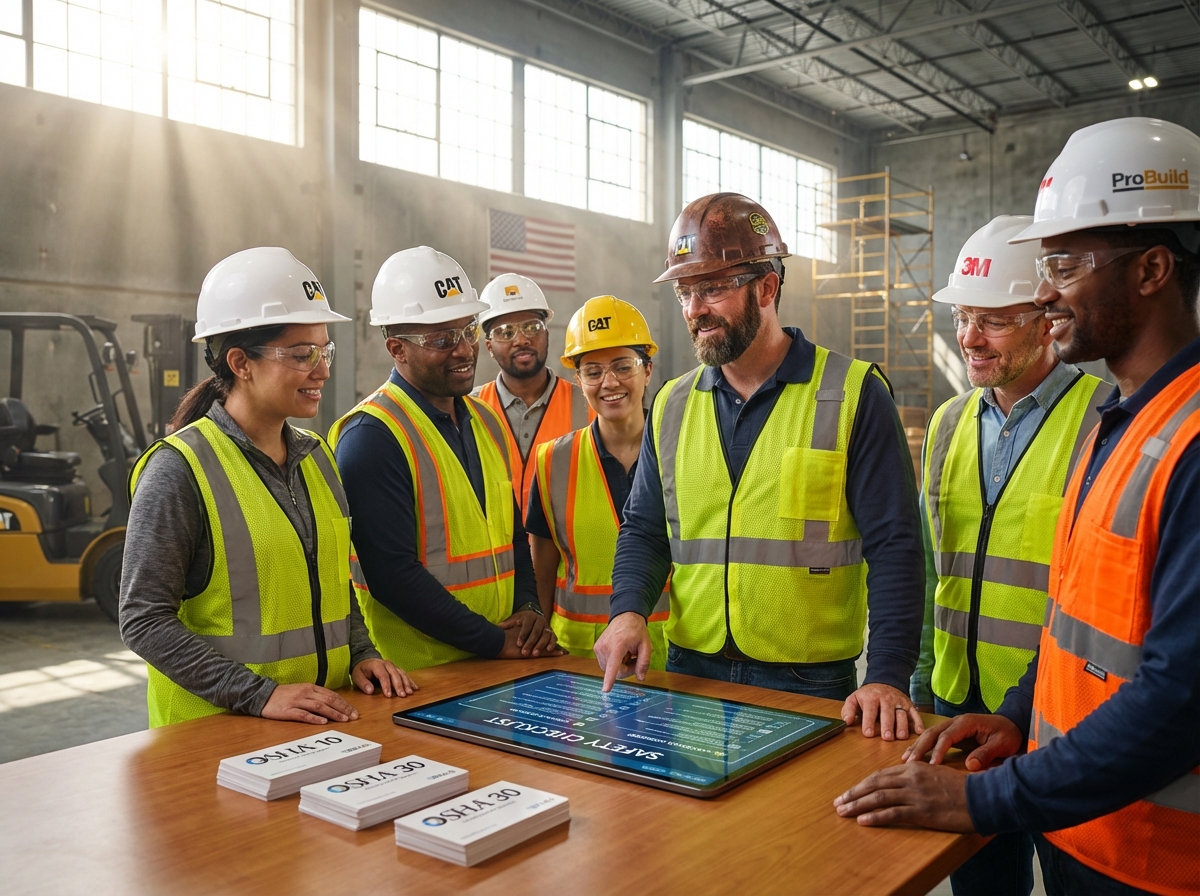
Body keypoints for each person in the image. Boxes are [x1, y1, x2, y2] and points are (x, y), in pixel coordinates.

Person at [835, 117, 1200, 896]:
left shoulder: (1185, 439)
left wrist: (985, 796)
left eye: (1065, 263)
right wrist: (1020, 714)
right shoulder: (1126, 425)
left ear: (1153, 269)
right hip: (1078, 816)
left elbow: (1179, 697)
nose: (1044, 289)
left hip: (1153, 860)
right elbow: (1075, 619)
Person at [594, 193, 927, 743]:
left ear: (767, 288)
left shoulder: (852, 395)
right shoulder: (672, 406)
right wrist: (628, 611)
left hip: (811, 680)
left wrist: (889, 675)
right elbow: (645, 531)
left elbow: (895, 545)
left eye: (713, 288)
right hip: (691, 668)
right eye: (685, 290)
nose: (694, 309)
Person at [120, 247, 415, 728]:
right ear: (240, 362)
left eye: (325, 350)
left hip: (315, 723)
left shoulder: (317, 457)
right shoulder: (180, 469)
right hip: (213, 734)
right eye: (302, 355)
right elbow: (143, 620)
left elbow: (330, 584)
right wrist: (258, 694)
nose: (322, 369)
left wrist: (361, 652)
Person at [910, 215, 1107, 896]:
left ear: (1047, 320)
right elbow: (932, 566)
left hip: (1062, 714)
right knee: (979, 885)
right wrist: (920, 684)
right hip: (955, 705)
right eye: (964, 317)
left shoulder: (1104, 416)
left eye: (992, 321)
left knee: (1070, 875)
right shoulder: (947, 423)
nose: (968, 338)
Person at [330, 247, 565, 672]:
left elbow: (512, 535)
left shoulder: (485, 420)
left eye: (468, 332)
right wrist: (493, 640)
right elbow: (391, 575)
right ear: (397, 348)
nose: (463, 351)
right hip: (421, 675)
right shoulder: (372, 437)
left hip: (493, 663)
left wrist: (529, 608)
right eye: (441, 340)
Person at [525, 295, 669, 664]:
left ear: (647, 370)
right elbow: (541, 569)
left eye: (623, 366)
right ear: (578, 379)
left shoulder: (684, 449)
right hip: (579, 659)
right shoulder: (552, 461)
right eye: (593, 371)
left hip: (673, 654)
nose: (609, 383)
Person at [474, 273, 592, 513]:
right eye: (505, 332)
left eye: (531, 327)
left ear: (546, 333)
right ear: (489, 346)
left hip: (567, 550)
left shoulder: (587, 404)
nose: (521, 340)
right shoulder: (468, 409)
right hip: (501, 550)